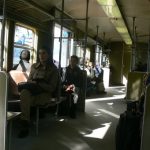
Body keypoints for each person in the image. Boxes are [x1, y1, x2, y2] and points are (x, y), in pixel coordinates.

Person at [18, 47, 59, 138]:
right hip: (32, 91)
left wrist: (40, 84)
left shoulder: (53, 70)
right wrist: (32, 82)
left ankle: (24, 122)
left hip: (44, 94)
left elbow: (52, 88)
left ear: (48, 55)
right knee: (24, 92)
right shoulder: (34, 66)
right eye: (40, 53)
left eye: (44, 53)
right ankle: (25, 123)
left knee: (25, 99)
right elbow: (29, 81)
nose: (41, 55)